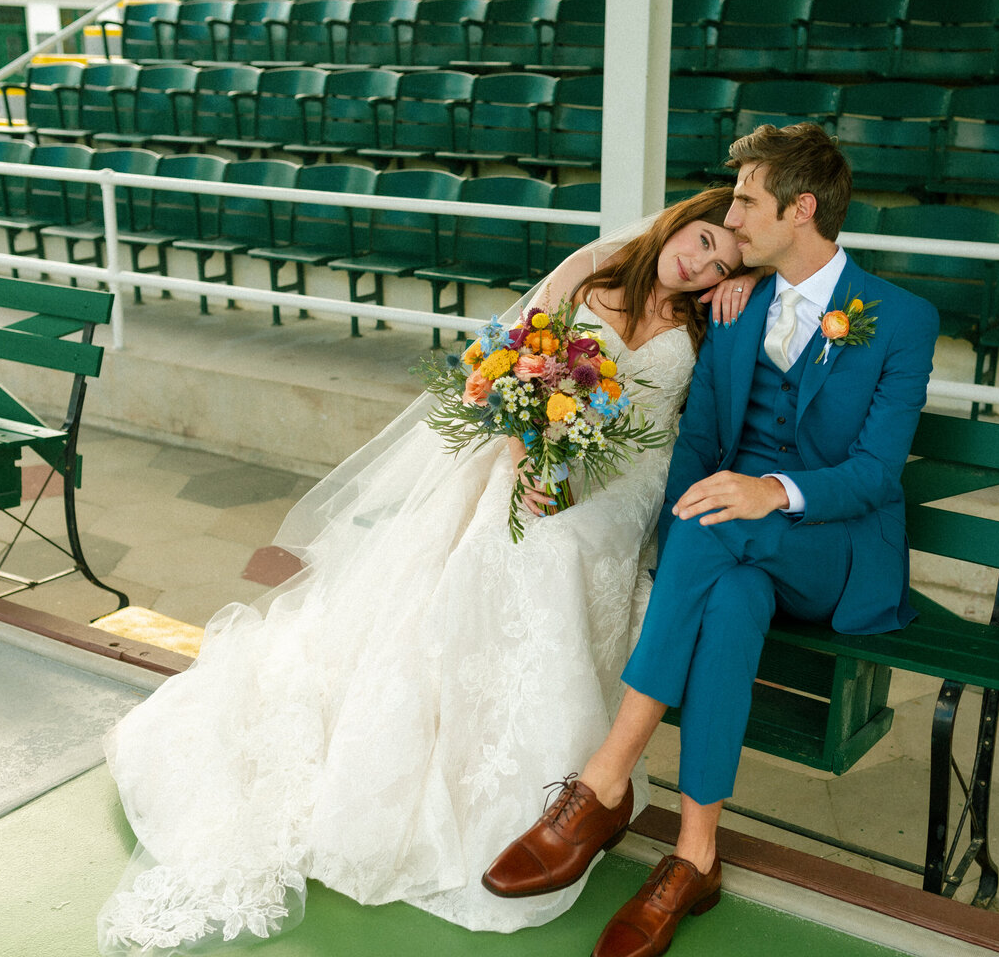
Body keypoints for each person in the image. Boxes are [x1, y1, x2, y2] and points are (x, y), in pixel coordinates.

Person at [96, 188, 760, 954]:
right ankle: (485, 774)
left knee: (559, 548)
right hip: (539, 461)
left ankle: (562, 801)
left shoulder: (711, 317)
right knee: (505, 540)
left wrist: (742, 286)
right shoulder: (589, 273)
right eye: (705, 239)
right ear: (681, 220)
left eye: (722, 261)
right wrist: (529, 455)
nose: (703, 260)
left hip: (629, 481)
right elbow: (505, 368)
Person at [483, 123, 940, 957]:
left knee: (715, 523)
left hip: (832, 547)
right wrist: (682, 518)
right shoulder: (735, 305)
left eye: (747, 202)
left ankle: (603, 782)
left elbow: (876, 473)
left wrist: (771, 490)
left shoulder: (902, 319)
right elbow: (695, 442)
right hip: (736, 547)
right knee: (725, 590)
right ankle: (694, 856)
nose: (732, 218)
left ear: (801, 211)